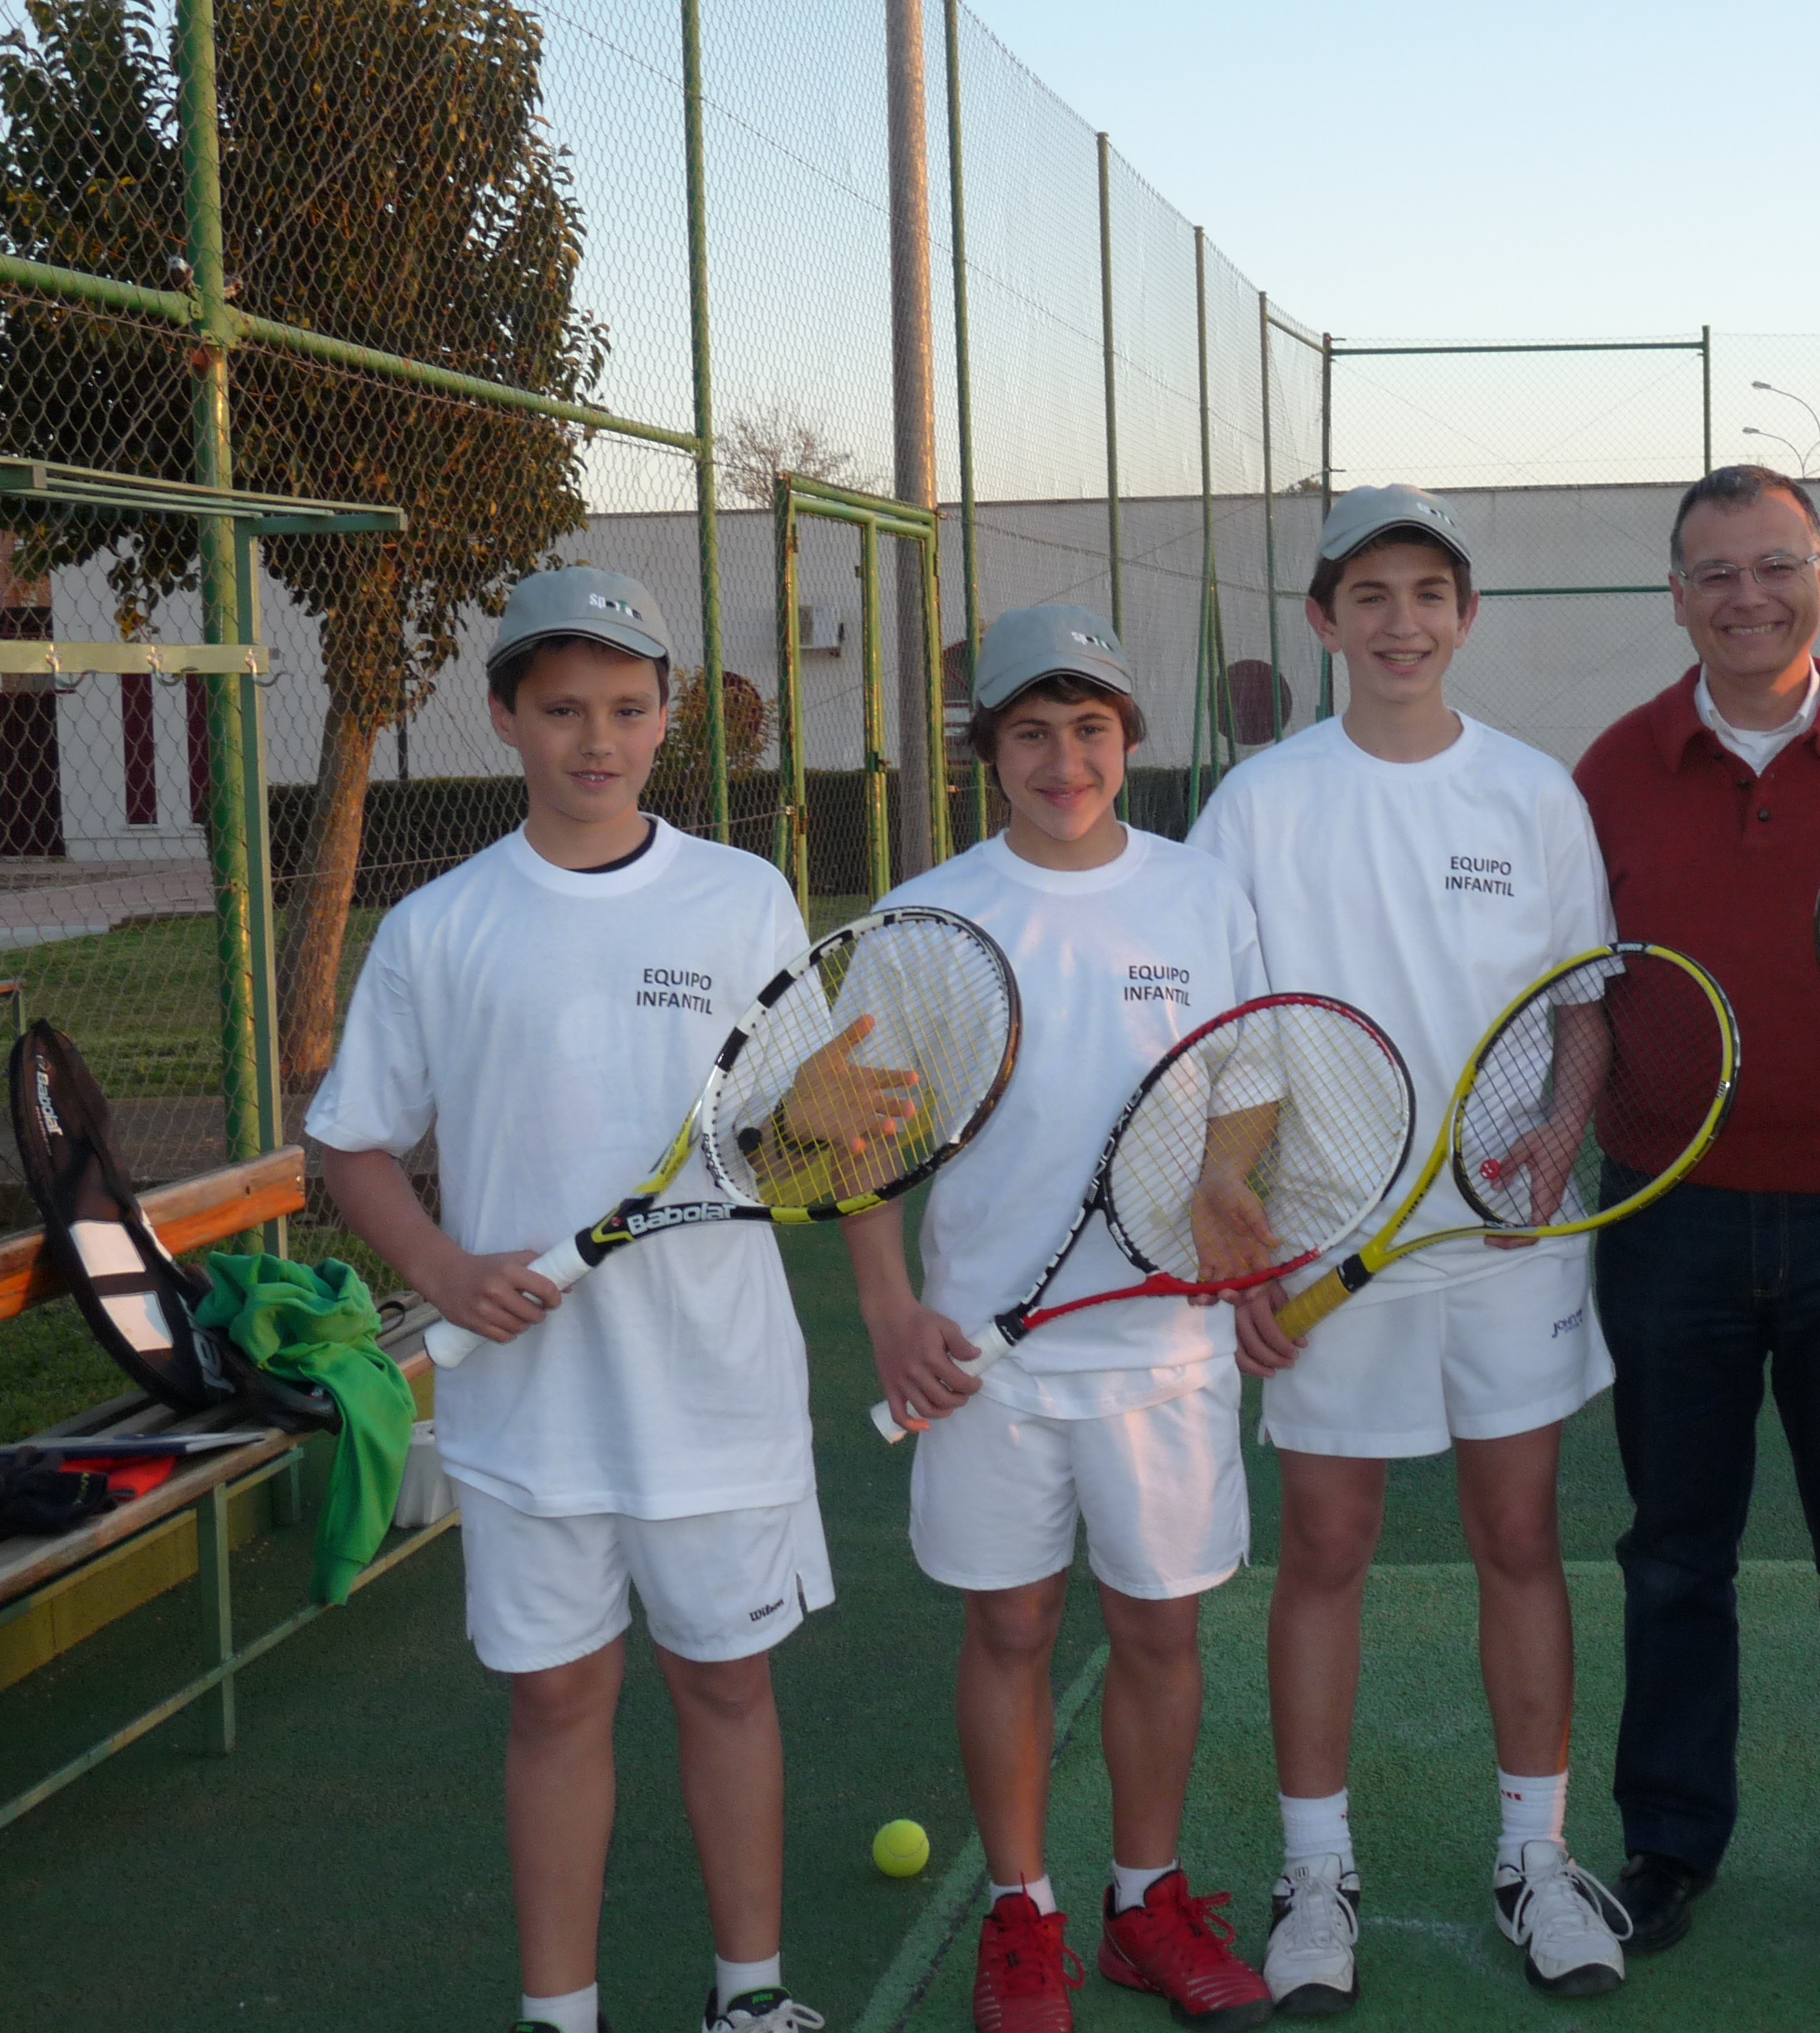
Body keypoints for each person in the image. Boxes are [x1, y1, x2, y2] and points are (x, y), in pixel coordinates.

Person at [314, 569, 846, 2033]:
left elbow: (797, 1126)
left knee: (725, 1688)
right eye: (561, 709)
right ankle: (561, 2015)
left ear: (669, 719)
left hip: (716, 1396)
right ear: (504, 716)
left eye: (625, 706)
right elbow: (352, 1145)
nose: (595, 739)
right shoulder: (440, 926)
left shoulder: (744, 900)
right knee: (555, 1704)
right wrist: (440, 1271)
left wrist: (826, 1126)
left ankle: (750, 1999)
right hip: (529, 1411)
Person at [1194, 484, 1632, 2007]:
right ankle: (1315, 1876)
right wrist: (1241, 1224)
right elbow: (1224, 1038)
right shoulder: (1260, 806)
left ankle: (1536, 1859)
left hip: (1509, 1244)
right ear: (1326, 620)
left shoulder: (1533, 794)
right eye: (1370, 596)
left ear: (1466, 616)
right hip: (1326, 1251)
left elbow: (1583, 1009)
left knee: (1521, 1538)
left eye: (1429, 595)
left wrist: (1557, 1142)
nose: (1402, 623)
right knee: (1326, 1549)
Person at [849, 604, 1278, 2033]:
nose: (1063, 760)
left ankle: (1145, 1903)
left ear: (1128, 741)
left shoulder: (1201, 896)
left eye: (1089, 729)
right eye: (1030, 732)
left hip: (1166, 1350)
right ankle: (1022, 1915)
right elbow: (859, 1134)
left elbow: (1250, 1080)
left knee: (1159, 1634)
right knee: (1014, 1627)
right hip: (988, 1360)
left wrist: (1225, 1177)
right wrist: (891, 1306)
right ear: (989, 751)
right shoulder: (929, 916)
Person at [1571, 463, 1820, 1970]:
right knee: (1677, 1555)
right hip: (1668, 1222)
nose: (1749, 597)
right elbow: (1588, 983)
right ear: (1678, 596)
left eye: (1774, 566)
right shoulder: (1612, 769)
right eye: (1715, 573)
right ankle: (1670, 1842)